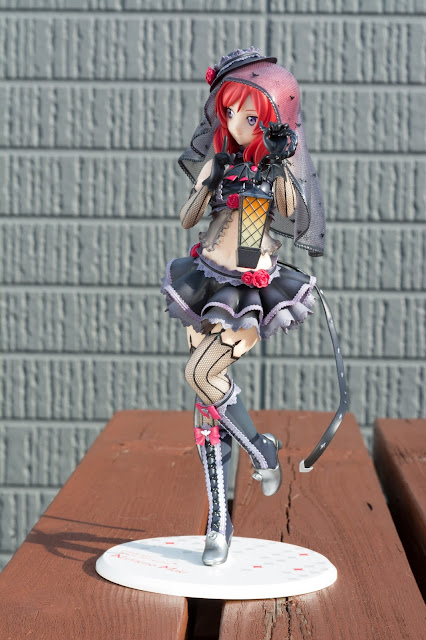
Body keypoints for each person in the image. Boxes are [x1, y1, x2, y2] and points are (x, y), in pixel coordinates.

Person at [160, 48, 326, 566]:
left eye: (250, 117)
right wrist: (207, 180)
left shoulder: (276, 170)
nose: (235, 124)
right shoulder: (220, 161)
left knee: (200, 375)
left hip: (249, 290)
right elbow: (188, 219)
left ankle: (258, 451)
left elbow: (293, 214)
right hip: (206, 279)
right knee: (205, 403)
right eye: (229, 112)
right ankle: (220, 520)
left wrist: (280, 166)